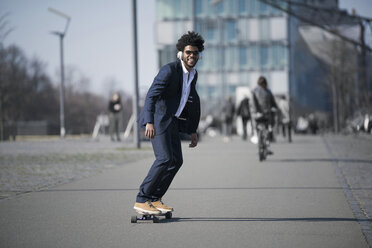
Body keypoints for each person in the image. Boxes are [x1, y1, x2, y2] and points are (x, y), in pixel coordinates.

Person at [134, 31, 204, 215]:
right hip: (157, 121)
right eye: (188, 52)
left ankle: (155, 199)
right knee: (164, 159)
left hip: (171, 121)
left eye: (195, 52)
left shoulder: (193, 75)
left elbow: (190, 102)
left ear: (199, 55)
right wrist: (149, 121)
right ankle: (142, 199)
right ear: (181, 53)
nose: (192, 55)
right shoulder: (169, 70)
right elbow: (151, 95)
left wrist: (192, 130)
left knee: (176, 161)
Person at [252, 76, 278, 154]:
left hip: (257, 114)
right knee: (268, 127)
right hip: (267, 113)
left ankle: (259, 140)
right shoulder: (268, 91)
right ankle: (266, 143)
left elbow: (253, 103)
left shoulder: (254, 91)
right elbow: (273, 103)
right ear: (265, 83)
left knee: (257, 127)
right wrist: (274, 108)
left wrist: (255, 111)